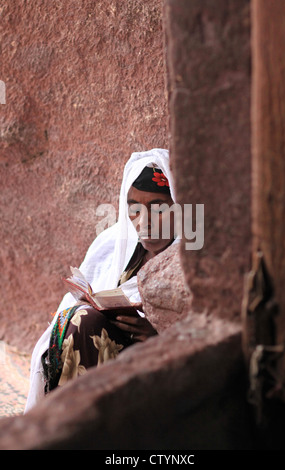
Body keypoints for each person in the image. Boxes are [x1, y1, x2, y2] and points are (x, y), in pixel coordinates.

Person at [25, 148, 177, 412]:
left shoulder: (195, 258)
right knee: (75, 319)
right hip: (95, 353)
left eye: (159, 209)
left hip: (157, 370)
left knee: (82, 321)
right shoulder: (112, 244)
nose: (145, 222)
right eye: (135, 209)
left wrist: (157, 336)